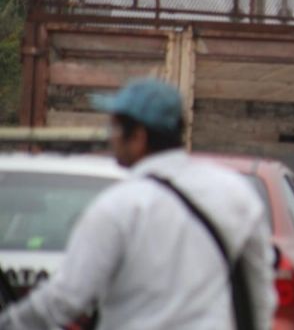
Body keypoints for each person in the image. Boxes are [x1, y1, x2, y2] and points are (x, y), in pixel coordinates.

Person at [0, 78, 276, 330]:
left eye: (116, 127)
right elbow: (260, 294)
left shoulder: (118, 207)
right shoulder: (235, 193)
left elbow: (66, 298)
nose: (111, 136)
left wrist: (11, 322)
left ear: (139, 137)